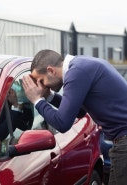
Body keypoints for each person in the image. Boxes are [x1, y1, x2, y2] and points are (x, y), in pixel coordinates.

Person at [22, 49, 127, 185]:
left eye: (41, 81)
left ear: (51, 70)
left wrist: (37, 100)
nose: (42, 86)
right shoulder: (80, 65)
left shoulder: (77, 73)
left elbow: (62, 123)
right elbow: (79, 112)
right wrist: (48, 96)